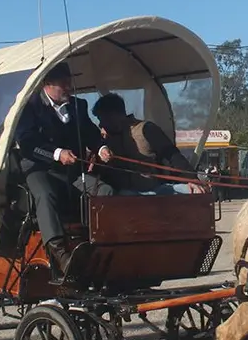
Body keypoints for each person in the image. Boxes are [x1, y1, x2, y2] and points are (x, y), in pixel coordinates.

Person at [12, 62, 114, 278]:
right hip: (38, 168)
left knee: (104, 191)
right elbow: (27, 142)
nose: (68, 87)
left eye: (69, 83)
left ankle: (102, 247)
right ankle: (60, 253)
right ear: (47, 84)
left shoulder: (79, 106)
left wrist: (102, 148)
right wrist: (57, 153)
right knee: (45, 193)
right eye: (63, 84)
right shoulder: (27, 107)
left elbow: (90, 133)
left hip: (72, 171)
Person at [91, 92, 203, 195]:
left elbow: (172, 155)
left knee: (192, 192)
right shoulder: (105, 141)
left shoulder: (146, 129)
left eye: (102, 119)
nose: (101, 124)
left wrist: (191, 179)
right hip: (124, 194)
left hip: (155, 190)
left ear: (115, 115)